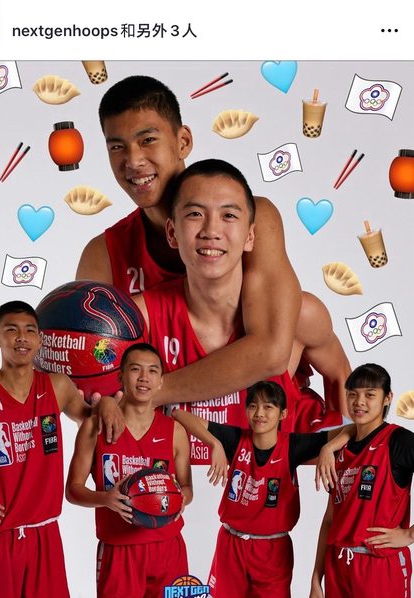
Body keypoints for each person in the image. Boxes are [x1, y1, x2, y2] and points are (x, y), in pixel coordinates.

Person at [76, 75, 303, 405]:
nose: (133, 161)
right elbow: (88, 375)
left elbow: (270, 351)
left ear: (183, 141)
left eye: (147, 140)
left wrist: (150, 394)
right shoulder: (103, 254)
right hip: (160, 438)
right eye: (117, 147)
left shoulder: (256, 218)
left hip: (260, 429)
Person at [129, 159, 350, 441]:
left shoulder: (299, 316)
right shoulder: (138, 319)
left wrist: (349, 456)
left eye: (229, 216)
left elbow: (341, 376)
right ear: (172, 233)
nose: (211, 231)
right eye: (195, 214)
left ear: (250, 236)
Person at [0, 300, 122, 598]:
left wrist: (105, 403)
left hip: (44, 535)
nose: (22, 337)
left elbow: (91, 424)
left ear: (40, 339)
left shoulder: (57, 386)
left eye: (30, 330)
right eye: (11, 330)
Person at [173, 381, 353, 598]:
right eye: (253, 406)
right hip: (232, 545)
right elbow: (179, 415)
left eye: (268, 407)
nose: (259, 413)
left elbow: (354, 429)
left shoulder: (293, 446)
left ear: (283, 414)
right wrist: (214, 443)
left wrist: (328, 447)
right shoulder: (234, 439)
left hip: (272, 551)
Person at [65, 343, 193, 598]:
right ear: (120, 377)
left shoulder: (175, 431)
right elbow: (73, 490)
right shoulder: (94, 427)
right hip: (118, 551)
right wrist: (105, 499)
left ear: (160, 381)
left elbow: (186, 487)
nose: (144, 378)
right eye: (136, 370)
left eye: (152, 371)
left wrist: (181, 498)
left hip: (168, 549)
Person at [308, 363, 414, 598]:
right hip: (339, 566)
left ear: (387, 398)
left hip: (380, 566)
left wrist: (410, 534)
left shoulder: (400, 442)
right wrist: (316, 578)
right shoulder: (338, 448)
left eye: (370, 394)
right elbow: (330, 519)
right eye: (353, 394)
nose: (359, 402)